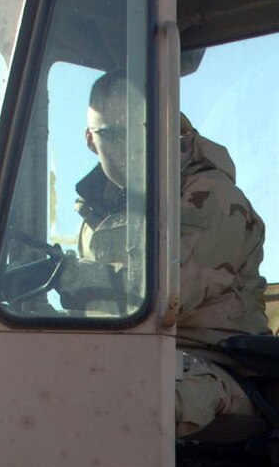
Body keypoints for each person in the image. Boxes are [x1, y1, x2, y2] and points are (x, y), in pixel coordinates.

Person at [76, 76, 268, 438]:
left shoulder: (210, 196)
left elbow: (168, 295)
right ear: (91, 141)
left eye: (140, 130)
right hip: (135, 356)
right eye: (114, 135)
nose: (131, 147)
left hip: (219, 367)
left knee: (130, 398)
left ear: (165, 125)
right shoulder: (98, 214)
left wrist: (76, 278)